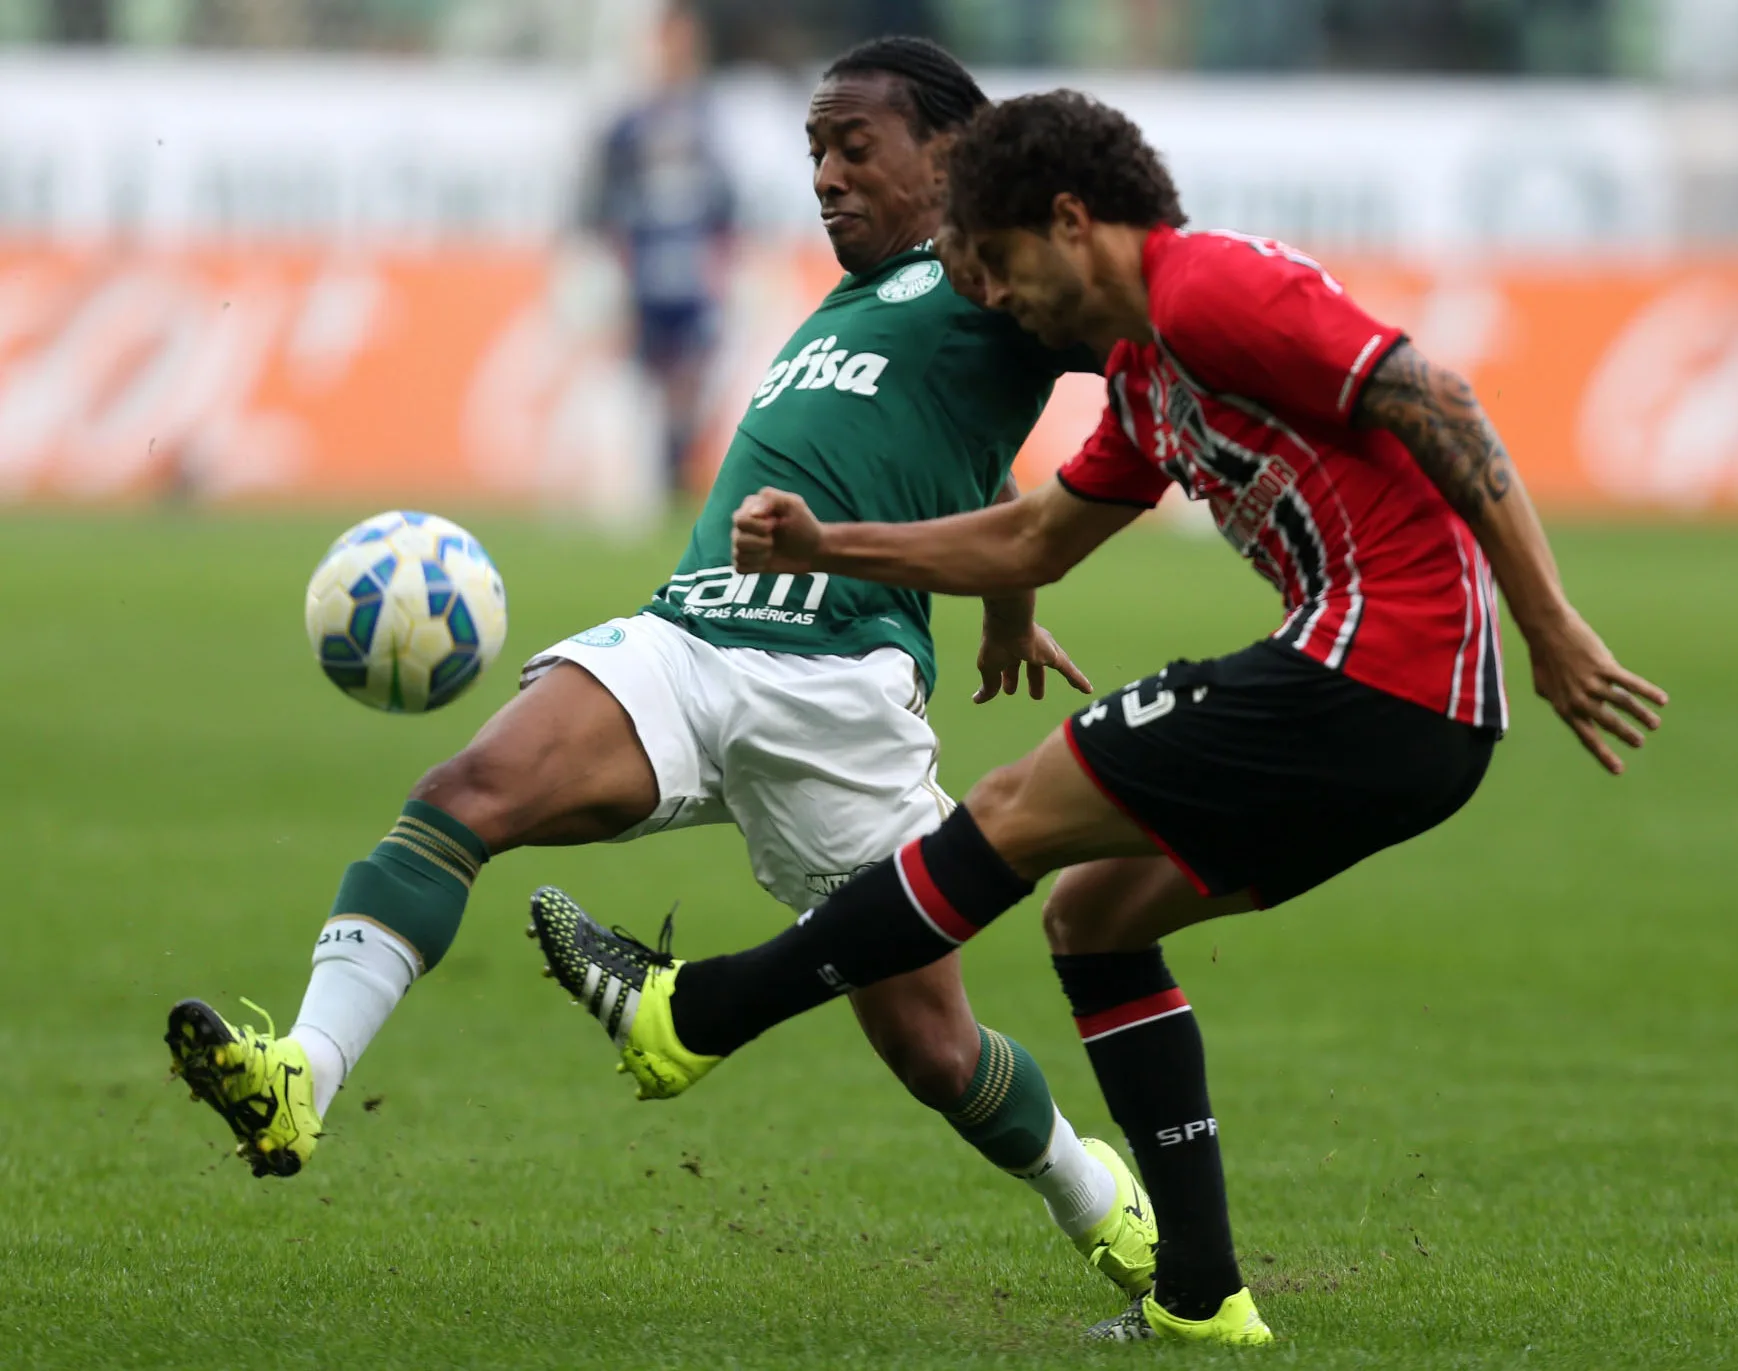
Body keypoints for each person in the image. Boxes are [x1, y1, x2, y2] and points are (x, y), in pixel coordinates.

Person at [529, 91, 1669, 1347]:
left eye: (1004, 268)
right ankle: (1200, 1296)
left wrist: (1551, 623)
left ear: (1071, 223)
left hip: (1380, 666)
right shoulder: (1139, 378)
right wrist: (826, 542)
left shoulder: (1210, 290)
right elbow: (1033, 537)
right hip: (1406, 725)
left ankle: (697, 1016)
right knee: (1094, 919)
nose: (1000, 301)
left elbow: (1434, 396)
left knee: (1012, 811)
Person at [164, 43, 1163, 1304]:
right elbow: (974, 460)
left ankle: (1100, 1202)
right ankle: (302, 1072)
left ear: (950, 157)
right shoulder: (854, 306)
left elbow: (1121, 345)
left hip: (839, 693)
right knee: (466, 792)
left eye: (856, 146)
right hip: (690, 638)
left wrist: (1021, 592)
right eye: (814, 152)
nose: (827, 176)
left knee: (931, 1045)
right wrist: (1008, 615)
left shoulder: (998, 281)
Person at [572, 1, 736, 493]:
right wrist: (611, 258)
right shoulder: (629, 123)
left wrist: (724, 260)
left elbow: (726, 202)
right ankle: (640, 477)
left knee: (691, 376)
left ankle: (676, 471)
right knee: (644, 376)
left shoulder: (708, 117)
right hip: (643, 273)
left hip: (691, 274)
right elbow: (598, 200)